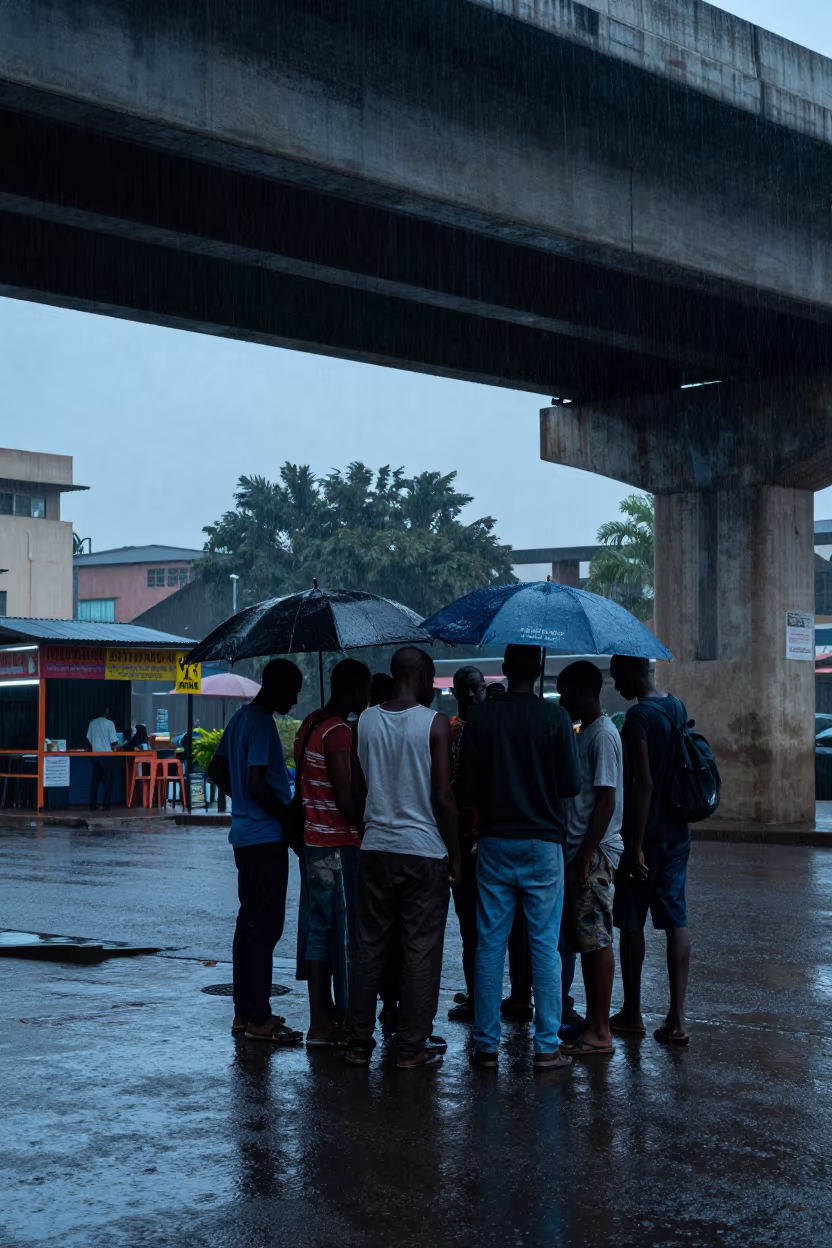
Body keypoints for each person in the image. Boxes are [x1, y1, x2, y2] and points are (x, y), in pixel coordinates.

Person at [459, 644, 581, 1071]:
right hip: (545, 844)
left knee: (490, 942)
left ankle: (486, 1045)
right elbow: (570, 785)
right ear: (541, 671)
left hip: (494, 842)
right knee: (545, 944)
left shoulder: (481, 717)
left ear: (507, 669)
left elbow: (466, 786)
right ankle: (547, 1046)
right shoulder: (556, 718)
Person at [346, 647, 459, 1070]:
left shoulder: (365, 721)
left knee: (369, 948)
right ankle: (411, 1046)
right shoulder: (434, 724)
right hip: (424, 852)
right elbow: (443, 797)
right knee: (419, 951)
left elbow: (357, 791)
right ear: (425, 676)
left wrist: (367, 828)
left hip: (375, 848)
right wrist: (457, 856)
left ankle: (358, 1043)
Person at [208, 659, 305, 1045]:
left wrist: (244, 803)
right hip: (266, 839)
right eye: (293, 690)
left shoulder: (239, 719)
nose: (296, 699)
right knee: (266, 928)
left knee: (248, 925)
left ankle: (243, 1013)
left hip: (245, 836)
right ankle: (261, 1019)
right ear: (277, 687)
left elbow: (217, 771)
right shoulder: (262, 723)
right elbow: (256, 780)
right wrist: (286, 820)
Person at [608, 655, 692, 1047]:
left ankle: (632, 1011)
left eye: (617, 675)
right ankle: (677, 1017)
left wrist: (635, 844)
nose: (616, 683)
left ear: (633, 673)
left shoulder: (638, 718)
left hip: (646, 835)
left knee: (631, 922)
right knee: (677, 918)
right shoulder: (676, 706)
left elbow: (643, 785)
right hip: (677, 833)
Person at [294, 659, 372, 1045]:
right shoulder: (339, 732)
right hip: (339, 845)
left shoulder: (310, 724)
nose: (369, 696)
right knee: (344, 938)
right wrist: (365, 825)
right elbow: (344, 797)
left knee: (318, 934)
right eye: (366, 689)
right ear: (354, 690)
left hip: (312, 842)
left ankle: (318, 1021)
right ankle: (344, 1018)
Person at [556, 661, 624, 1057]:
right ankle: (594, 1020)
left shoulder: (602, 737)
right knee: (586, 937)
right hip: (583, 850)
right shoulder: (586, 734)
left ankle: (600, 1030)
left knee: (596, 939)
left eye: (565, 693)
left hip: (593, 853)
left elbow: (606, 800)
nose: (562, 701)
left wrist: (585, 853)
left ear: (583, 692)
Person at [447, 665, 486, 1022]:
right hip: (460, 840)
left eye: (478, 688)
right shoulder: (449, 732)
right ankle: (477, 995)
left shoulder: (490, 728)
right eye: (466, 689)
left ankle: (485, 997)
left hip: (486, 840)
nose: (473, 695)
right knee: (469, 926)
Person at [86, 706, 118, 810]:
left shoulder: (92, 723)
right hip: (107, 756)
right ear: (106, 713)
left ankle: (93, 804)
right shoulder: (110, 724)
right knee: (107, 782)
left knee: (95, 782)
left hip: (95, 755)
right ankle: (106, 804)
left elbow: (89, 740)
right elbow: (114, 743)